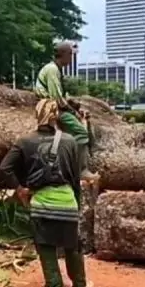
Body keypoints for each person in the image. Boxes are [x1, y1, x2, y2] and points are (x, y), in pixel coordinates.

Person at [0, 99, 94, 287]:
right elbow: (74, 176)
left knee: (46, 247)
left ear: (36, 115)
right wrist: (75, 204)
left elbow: (5, 167)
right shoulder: (70, 141)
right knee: (72, 245)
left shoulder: (25, 141)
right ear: (57, 116)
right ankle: (79, 285)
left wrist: (20, 188)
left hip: (41, 202)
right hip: (66, 201)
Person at [34, 41, 99, 182]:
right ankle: (81, 169)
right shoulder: (52, 70)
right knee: (81, 133)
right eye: (70, 55)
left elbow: (63, 95)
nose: (72, 58)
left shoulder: (56, 69)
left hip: (54, 106)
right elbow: (57, 98)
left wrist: (75, 105)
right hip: (50, 108)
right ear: (63, 54)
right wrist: (73, 112)